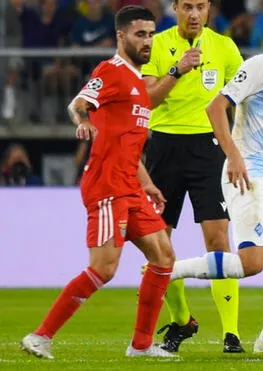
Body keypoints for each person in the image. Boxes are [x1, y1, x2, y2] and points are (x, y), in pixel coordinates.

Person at [21, 6, 177, 359]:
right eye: (140, 34)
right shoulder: (111, 70)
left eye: (151, 34)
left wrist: (147, 183)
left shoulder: (138, 82)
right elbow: (78, 104)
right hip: (107, 187)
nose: (148, 41)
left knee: (164, 256)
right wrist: (83, 121)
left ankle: (141, 345)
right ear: (121, 36)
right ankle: (41, 335)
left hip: (131, 186)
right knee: (104, 268)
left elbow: (127, 145)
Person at [168, 3, 263, 354]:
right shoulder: (259, 68)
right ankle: (168, 270)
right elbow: (215, 108)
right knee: (252, 264)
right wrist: (234, 156)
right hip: (247, 176)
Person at [140, 0, 244, 353]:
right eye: (187, 6)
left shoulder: (224, 46)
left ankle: (232, 334)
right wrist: (177, 69)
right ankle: (182, 321)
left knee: (218, 241)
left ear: (209, 8)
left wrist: (236, 149)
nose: (195, 14)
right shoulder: (157, 44)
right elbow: (148, 100)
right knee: (158, 243)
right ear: (175, 8)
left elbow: (243, 98)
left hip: (208, 147)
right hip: (165, 146)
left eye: (201, 6)